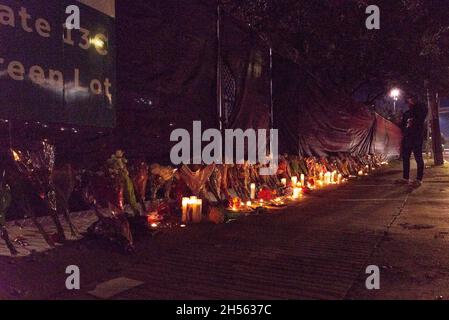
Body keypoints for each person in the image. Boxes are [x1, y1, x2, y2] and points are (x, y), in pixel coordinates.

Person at [398, 94, 428, 187]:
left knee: (418, 158)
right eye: (409, 99)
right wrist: (404, 128)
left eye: (412, 98)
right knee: (406, 158)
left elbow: (422, 116)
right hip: (408, 138)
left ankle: (419, 179)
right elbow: (402, 125)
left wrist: (414, 121)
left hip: (417, 137)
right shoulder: (407, 113)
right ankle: (405, 178)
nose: (410, 100)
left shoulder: (421, 109)